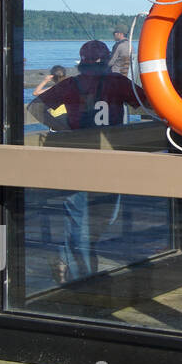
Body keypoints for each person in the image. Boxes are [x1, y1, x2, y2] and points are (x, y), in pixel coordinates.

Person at [29, 40, 146, 284]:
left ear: (81, 62)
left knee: (92, 216)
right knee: (89, 217)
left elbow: (36, 107)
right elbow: (146, 104)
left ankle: (63, 257)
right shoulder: (117, 83)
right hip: (106, 158)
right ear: (106, 61)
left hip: (80, 158)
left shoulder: (72, 84)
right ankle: (85, 276)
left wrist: (61, 128)